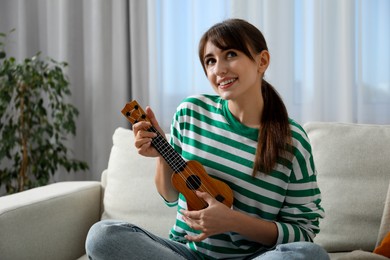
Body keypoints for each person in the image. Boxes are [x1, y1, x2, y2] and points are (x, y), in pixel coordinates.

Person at [86, 18, 329, 260]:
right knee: (102, 235)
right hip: (186, 253)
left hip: (254, 258)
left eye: (231, 54)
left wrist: (233, 221)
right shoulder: (190, 112)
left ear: (261, 61)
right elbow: (171, 196)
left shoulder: (293, 141)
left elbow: (303, 233)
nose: (219, 69)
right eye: (210, 61)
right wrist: (162, 154)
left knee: (310, 255)